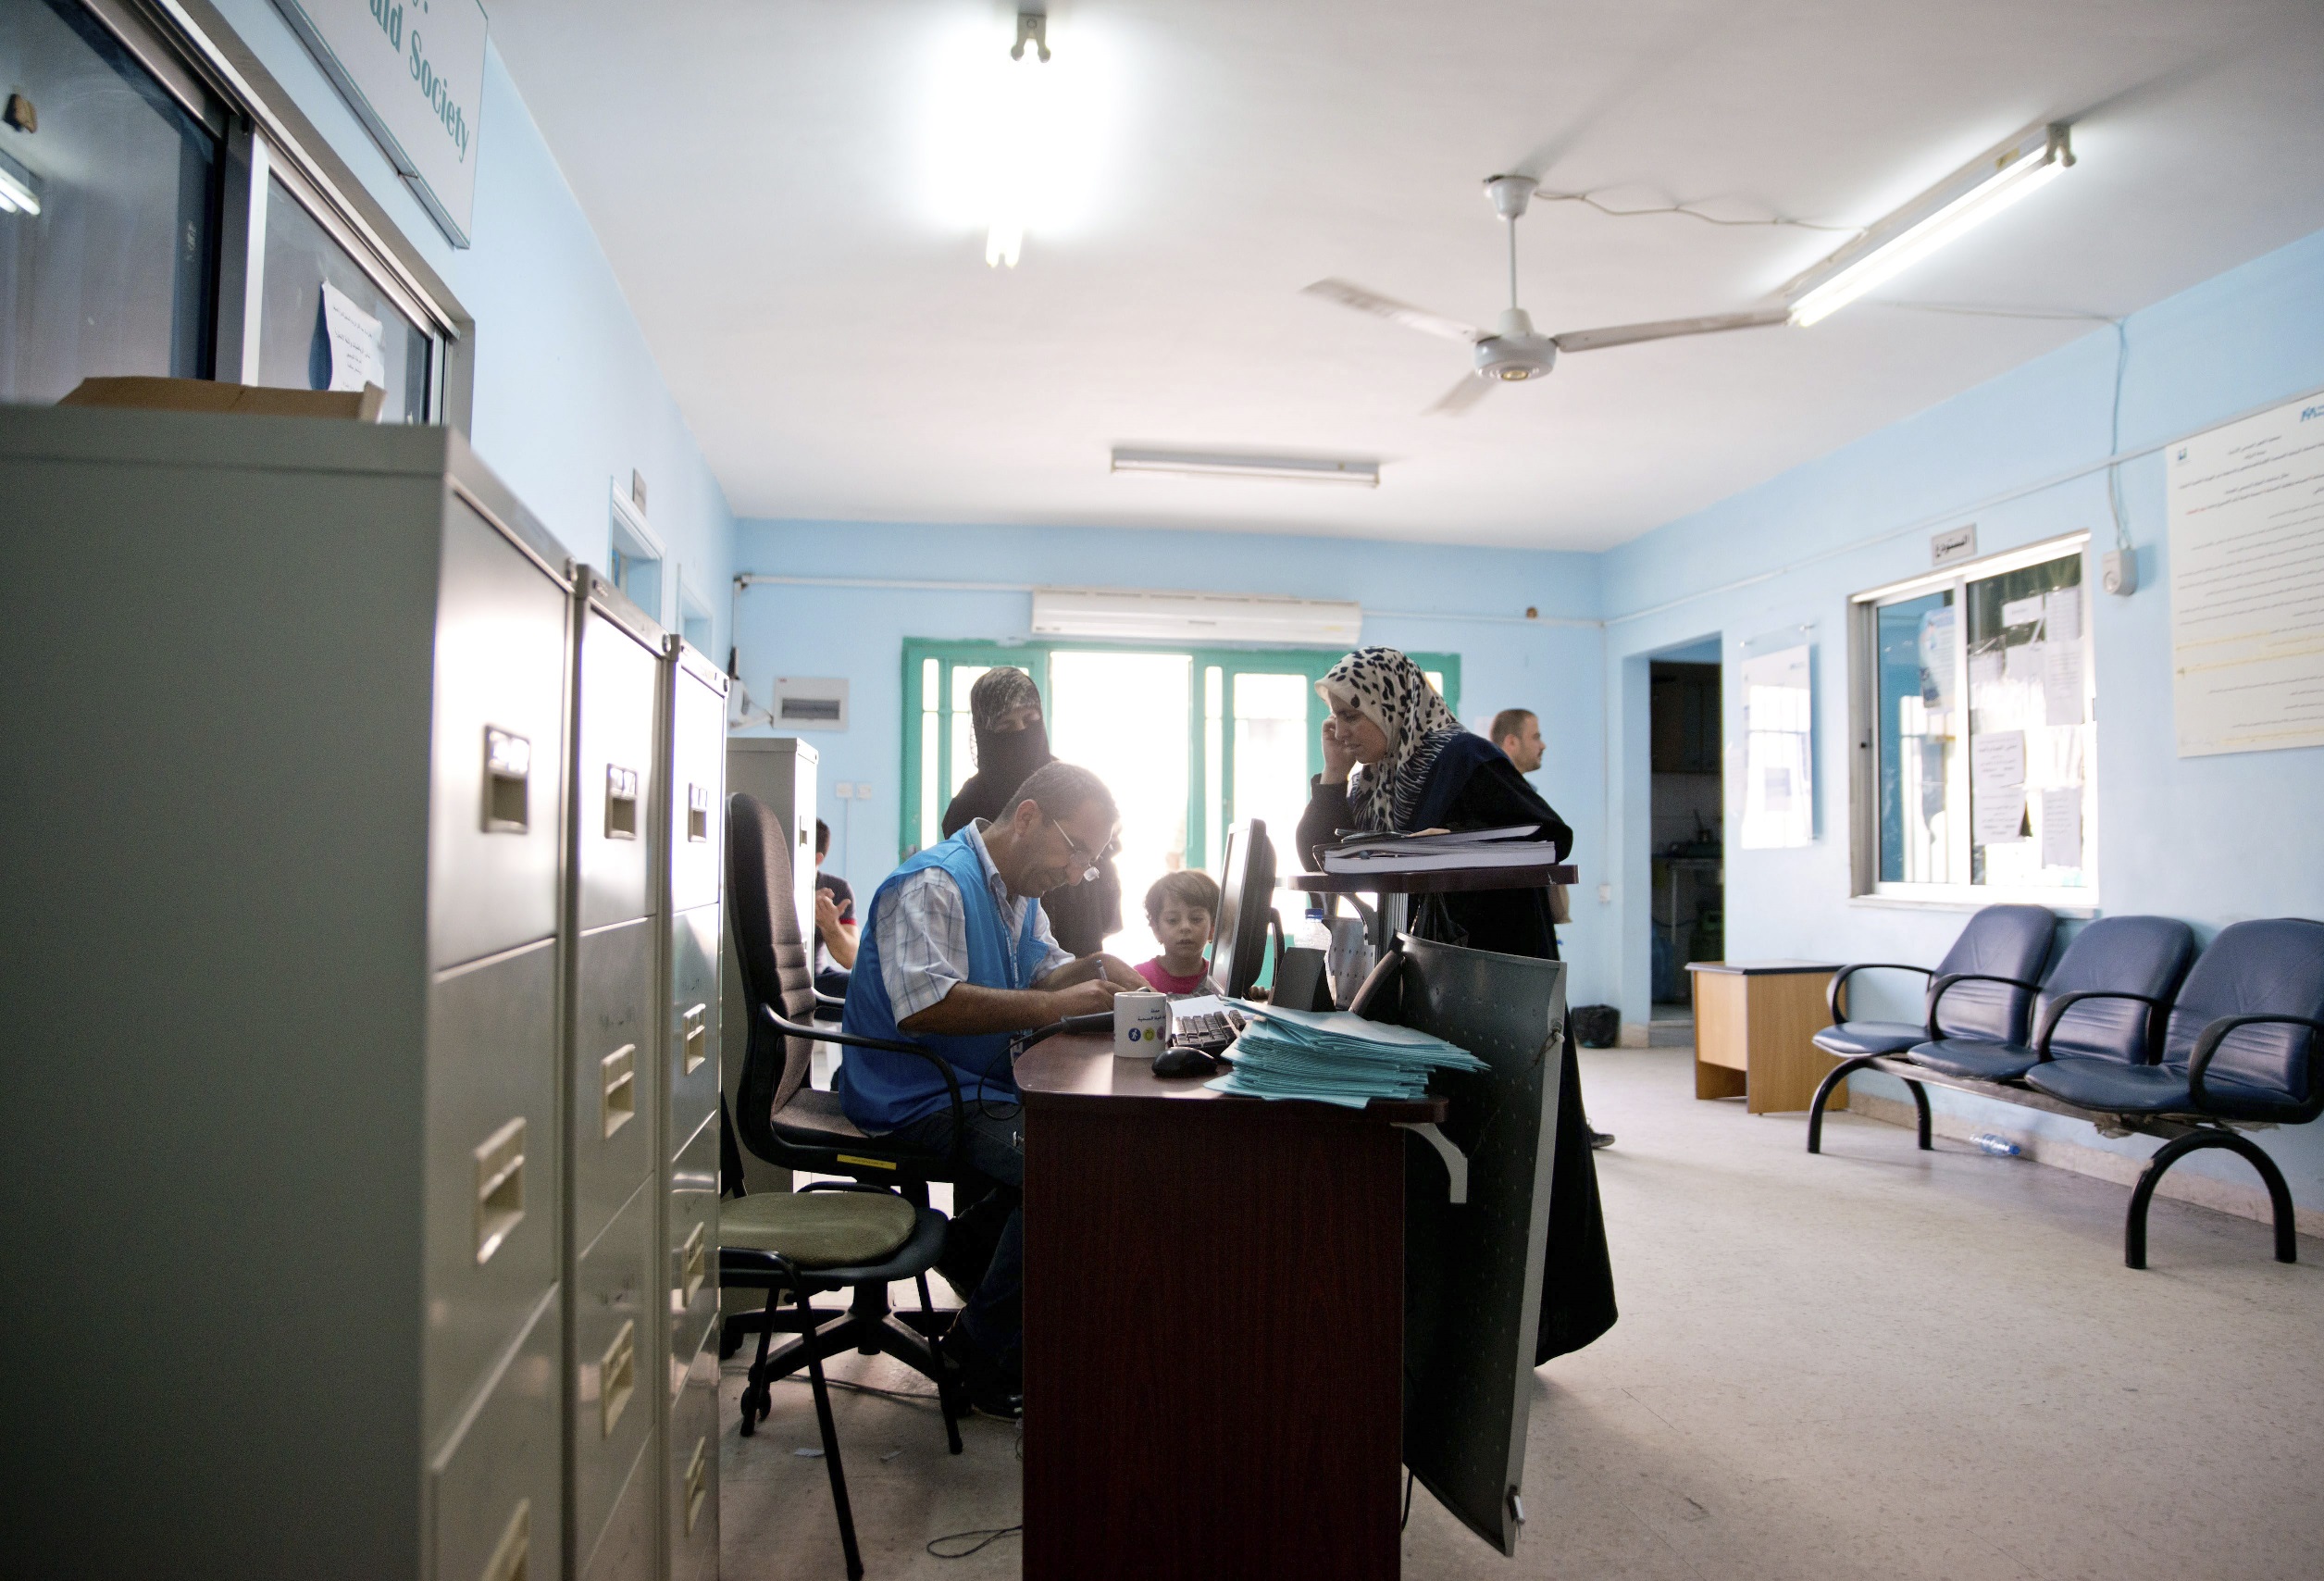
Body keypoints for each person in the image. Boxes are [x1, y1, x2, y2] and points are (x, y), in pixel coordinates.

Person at [1294, 647, 1618, 1364]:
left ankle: (1534, 1332)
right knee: (1464, 1143)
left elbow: (1548, 836)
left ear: (1392, 703)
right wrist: (1331, 776)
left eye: (1353, 712)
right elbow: (1321, 853)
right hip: (1441, 964)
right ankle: (1469, 1332)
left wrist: (1455, 844)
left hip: (1501, 970)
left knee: (1520, 1142)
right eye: (1333, 715)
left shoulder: (1461, 757)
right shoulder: (1380, 776)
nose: (1341, 727)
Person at [839, 760, 1146, 1414]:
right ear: (1029, 817)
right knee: (1071, 1166)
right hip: (910, 1092)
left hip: (968, 1082)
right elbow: (928, 1006)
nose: (1075, 872)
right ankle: (977, 1355)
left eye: (1087, 861)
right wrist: (1055, 1008)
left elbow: (1040, 970)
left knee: (1087, 1143)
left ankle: (962, 1258)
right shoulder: (932, 883)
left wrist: (1090, 967)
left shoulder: (1015, 889)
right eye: (1075, 851)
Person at [941, 667, 1124, 958]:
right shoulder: (968, 805)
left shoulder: (1073, 788)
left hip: (1077, 937)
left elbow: (1101, 880)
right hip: (1003, 957)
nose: (1021, 733)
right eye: (1004, 727)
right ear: (984, 733)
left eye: (1030, 720)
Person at [1490, 706, 1606, 1148]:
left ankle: (1573, 1125)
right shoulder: (1506, 799)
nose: (1543, 745)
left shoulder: (1524, 794)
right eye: (1535, 736)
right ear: (1511, 742)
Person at [1135, 869, 1220, 994]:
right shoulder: (1139, 978)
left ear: (1213, 927)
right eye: (1172, 920)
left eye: (1196, 919)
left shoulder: (1221, 980)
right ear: (1156, 929)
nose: (1185, 927)